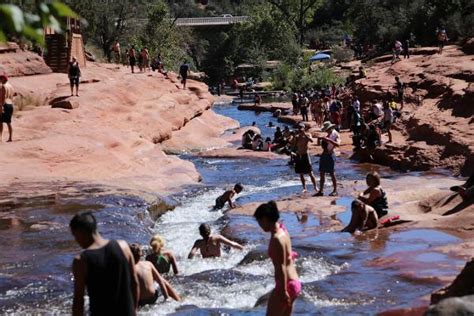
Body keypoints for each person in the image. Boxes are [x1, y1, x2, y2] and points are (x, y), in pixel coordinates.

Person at [70, 212, 139, 316]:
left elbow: (79, 301)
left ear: (81, 232)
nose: (76, 240)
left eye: (75, 235)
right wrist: (134, 310)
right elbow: (134, 282)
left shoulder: (81, 261)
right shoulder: (123, 246)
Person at [254, 201, 301, 316]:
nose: (259, 225)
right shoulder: (283, 230)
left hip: (286, 285)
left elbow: (281, 267)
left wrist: (283, 291)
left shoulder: (276, 239)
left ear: (265, 219)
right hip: (295, 282)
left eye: (259, 222)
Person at [315, 122, 340, 197]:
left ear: (331, 128)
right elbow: (320, 145)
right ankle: (321, 190)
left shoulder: (335, 135)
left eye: (328, 129)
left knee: (332, 173)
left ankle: (335, 190)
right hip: (324, 155)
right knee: (322, 173)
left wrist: (328, 140)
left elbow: (338, 144)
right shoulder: (328, 135)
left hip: (330, 155)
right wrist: (320, 139)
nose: (327, 130)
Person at [0, 75, 14, 142]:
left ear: (3, 79)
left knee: (0, 122)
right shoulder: (10, 86)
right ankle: (10, 138)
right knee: (8, 122)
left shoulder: (3, 86)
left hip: (4, 105)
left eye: (0, 79)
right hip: (10, 104)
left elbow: (3, 97)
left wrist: (1, 106)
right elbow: (13, 95)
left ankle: (0, 138)